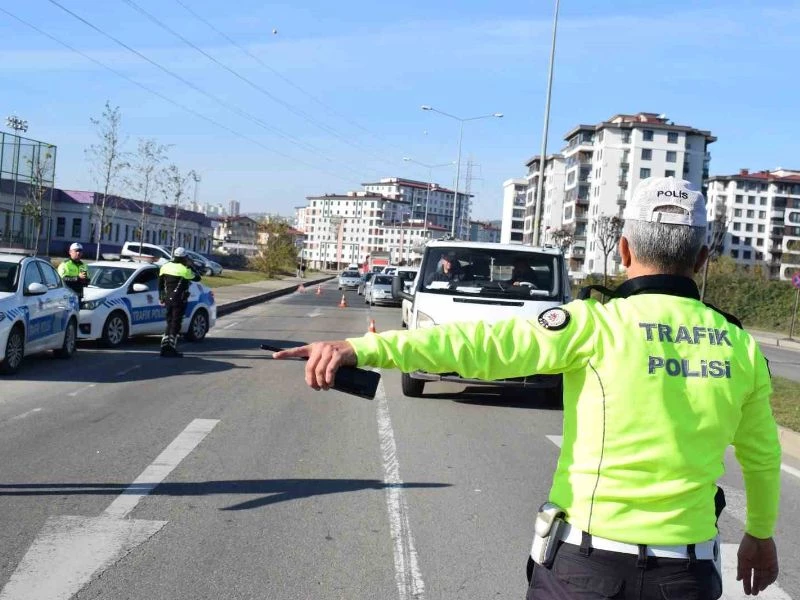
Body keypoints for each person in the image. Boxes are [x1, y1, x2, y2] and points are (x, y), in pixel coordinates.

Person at [274, 177, 782, 599]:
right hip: (686, 577)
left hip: (587, 570)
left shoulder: (593, 325)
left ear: (624, 250)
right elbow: (761, 457)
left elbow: (479, 345)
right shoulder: (740, 347)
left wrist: (365, 349)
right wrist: (759, 534)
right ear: (702, 258)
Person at [158, 247, 200, 358]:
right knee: (176, 323)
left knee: (169, 321)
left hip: (167, 298)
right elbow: (197, 277)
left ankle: (164, 347)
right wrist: (191, 265)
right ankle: (171, 348)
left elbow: (160, 284)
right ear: (184, 257)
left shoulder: (165, 266)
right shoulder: (185, 269)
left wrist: (161, 297)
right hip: (179, 299)